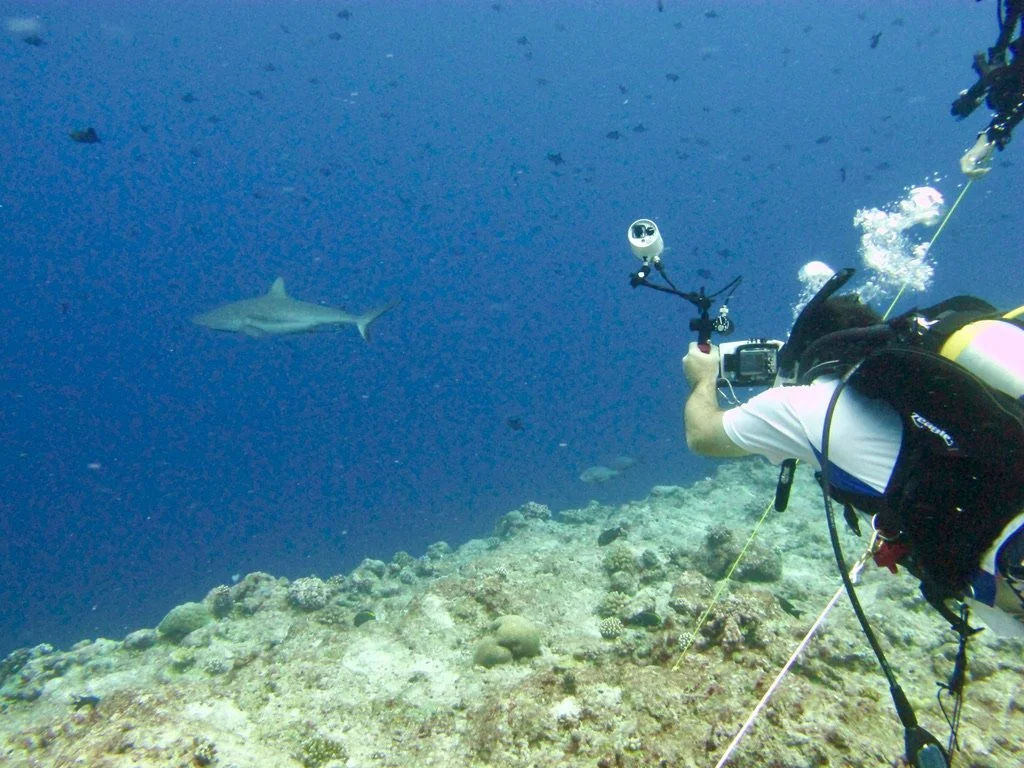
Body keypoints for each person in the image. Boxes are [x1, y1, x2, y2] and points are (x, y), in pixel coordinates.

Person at [681, 292, 1024, 633]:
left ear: (807, 350)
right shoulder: (927, 382)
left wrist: (704, 377)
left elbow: (702, 435)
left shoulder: (800, 405)